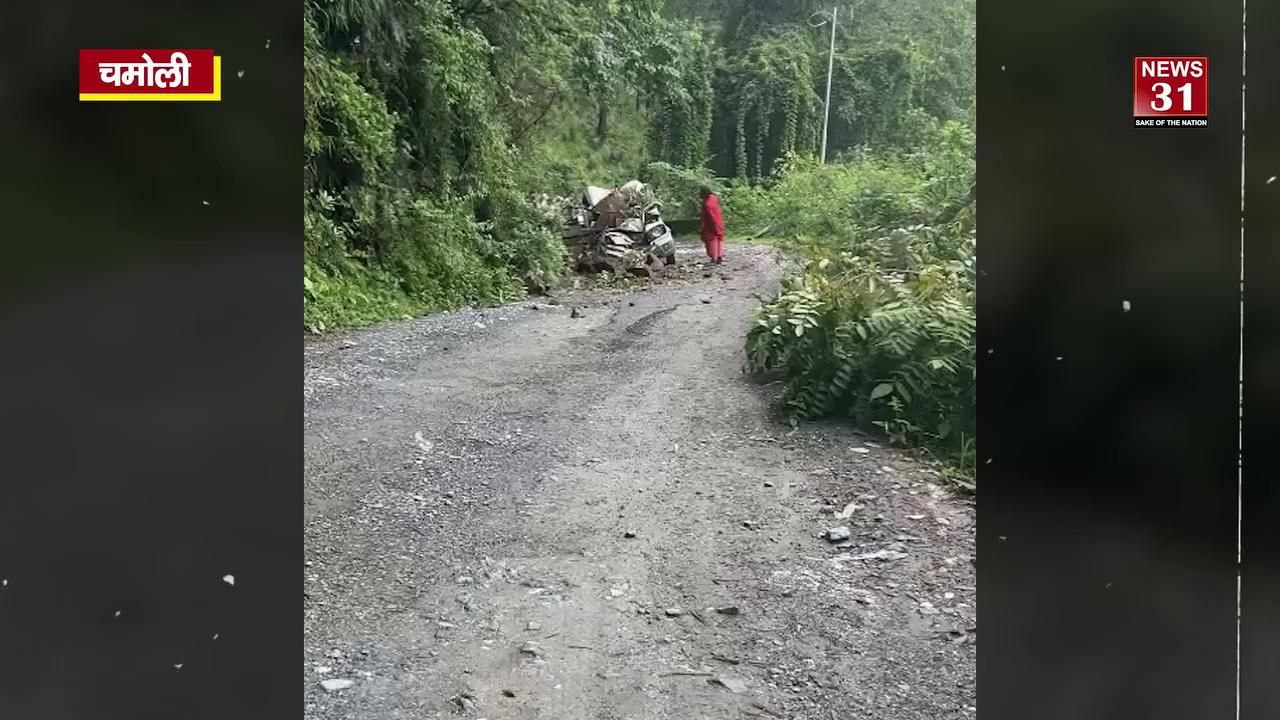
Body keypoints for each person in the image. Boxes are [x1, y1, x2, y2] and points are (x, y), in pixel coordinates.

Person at [699, 185, 725, 264]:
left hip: (710, 224)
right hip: (719, 221)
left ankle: (714, 257)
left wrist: (706, 226)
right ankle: (719, 256)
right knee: (719, 238)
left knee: (711, 240)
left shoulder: (707, 204)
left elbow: (710, 216)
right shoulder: (714, 198)